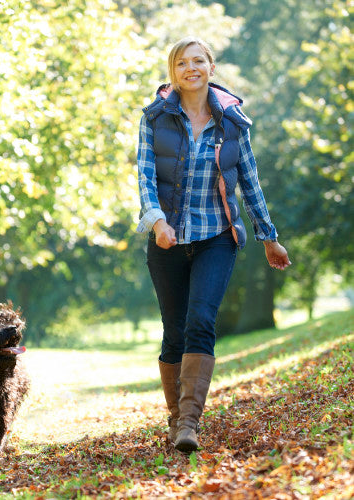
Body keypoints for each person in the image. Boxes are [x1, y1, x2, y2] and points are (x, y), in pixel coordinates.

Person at [136, 36, 291, 453]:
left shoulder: (232, 122)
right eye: (182, 62)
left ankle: (189, 423)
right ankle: (175, 419)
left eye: (199, 61)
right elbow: (145, 178)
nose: (191, 68)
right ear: (174, 72)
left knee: (201, 321)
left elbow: (250, 182)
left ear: (211, 67)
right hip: (167, 240)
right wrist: (156, 222)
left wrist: (268, 237)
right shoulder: (154, 118)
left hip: (217, 237)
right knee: (174, 331)